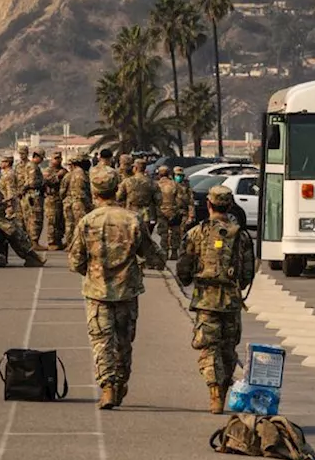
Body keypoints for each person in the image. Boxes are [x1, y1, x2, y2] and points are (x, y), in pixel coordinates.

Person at [69, 166, 166, 410]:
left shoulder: (87, 221)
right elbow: (152, 254)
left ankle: (107, 387)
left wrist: (92, 272)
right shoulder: (132, 219)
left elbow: (75, 260)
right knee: (123, 342)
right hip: (127, 291)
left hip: (97, 291)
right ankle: (120, 383)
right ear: (116, 188)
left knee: (101, 341)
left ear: (95, 191)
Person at [177, 185, 255, 413]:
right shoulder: (241, 235)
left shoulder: (196, 233)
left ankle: (214, 393)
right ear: (229, 206)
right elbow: (248, 272)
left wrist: (187, 280)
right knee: (228, 348)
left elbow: (184, 266)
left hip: (205, 301)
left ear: (209, 205)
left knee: (209, 348)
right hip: (231, 302)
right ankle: (223, 388)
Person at [0, 169, 47, 267]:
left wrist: (6, 205)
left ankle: (31, 256)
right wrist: (4, 202)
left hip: (0, 217)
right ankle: (30, 256)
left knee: (19, 229)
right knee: (13, 231)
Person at [116, 158, 159, 236]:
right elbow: (159, 200)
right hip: (147, 215)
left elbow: (118, 197)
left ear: (135, 168)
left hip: (130, 213)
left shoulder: (127, 181)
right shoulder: (152, 183)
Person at [60, 154, 92, 248]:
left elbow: (62, 191)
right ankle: (77, 245)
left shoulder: (70, 174)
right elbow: (82, 192)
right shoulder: (80, 174)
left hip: (70, 201)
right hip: (79, 203)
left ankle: (71, 244)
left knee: (70, 224)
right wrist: (89, 204)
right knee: (79, 224)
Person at [155, 166, 186, 259]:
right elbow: (180, 200)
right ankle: (174, 252)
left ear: (159, 174)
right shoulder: (175, 185)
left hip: (161, 212)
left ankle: (164, 252)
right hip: (173, 212)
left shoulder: (156, 185)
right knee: (175, 232)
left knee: (163, 233)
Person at [19, 147, 45, 249]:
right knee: (35, 218)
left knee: (32, 218)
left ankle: (33, 241)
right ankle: (34, 242)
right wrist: (42, 183)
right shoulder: (33, 167)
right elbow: (32, 182)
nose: (42, 160)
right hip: (34, 195)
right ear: (37, 157)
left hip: (32, 195)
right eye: (41, 158)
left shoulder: (30, 165)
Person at [42, 152, 66, 249]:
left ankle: (58, 240)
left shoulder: (64, 170)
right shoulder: (48, 171)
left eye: (59, 158)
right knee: (52, 220)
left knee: (60, 221)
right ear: (51, 159)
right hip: (51, 198)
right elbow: (48, 181)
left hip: (61, 198)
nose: (57, 160)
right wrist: (58, 176)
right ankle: (51, 242)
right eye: (55, 158)